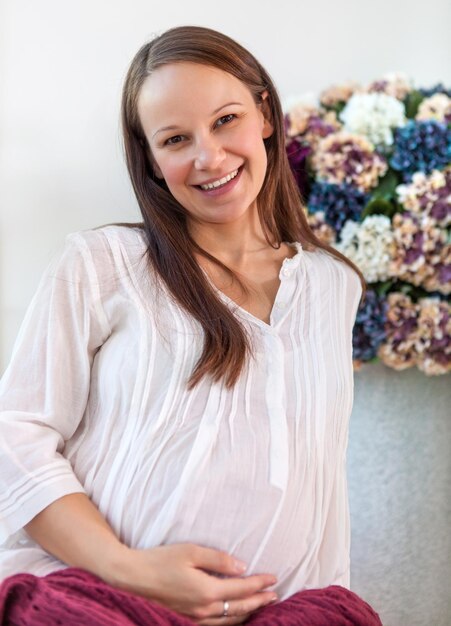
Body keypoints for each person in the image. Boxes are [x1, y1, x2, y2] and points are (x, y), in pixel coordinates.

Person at [0, 25, 381, 626]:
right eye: (176, 138)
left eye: (225, 119)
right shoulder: (102, 265)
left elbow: (320, 479)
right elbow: (14, 437)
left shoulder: (334, 286)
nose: (209, 156)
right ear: (152, 160)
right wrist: (127, 569)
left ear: (264, 114)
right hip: (96, 598)